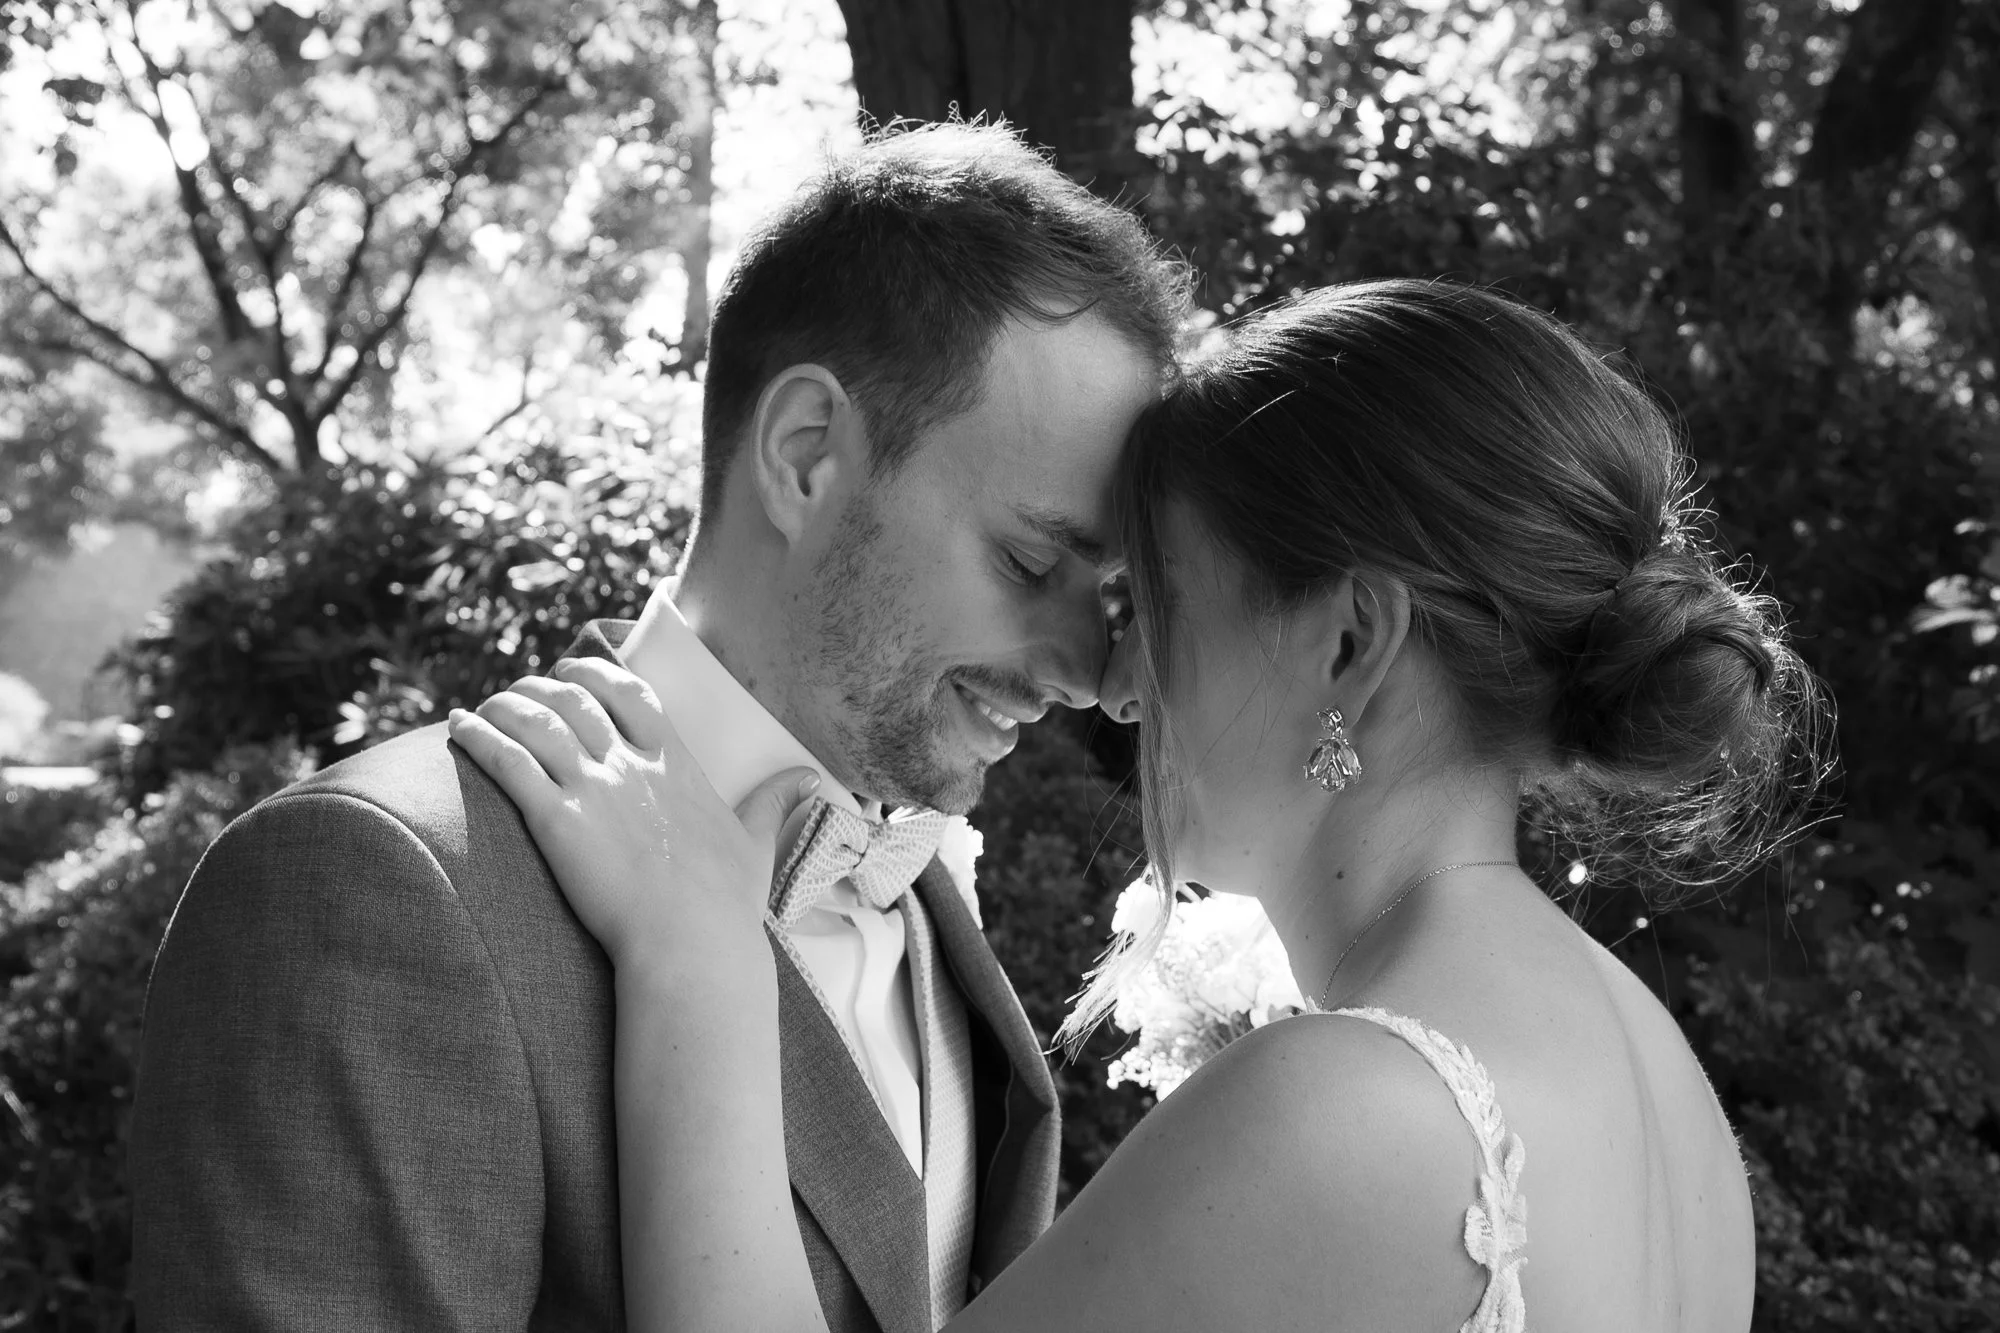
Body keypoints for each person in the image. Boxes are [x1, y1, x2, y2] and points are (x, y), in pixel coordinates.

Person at [450, 278, 1828, 1332]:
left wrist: (699, 964)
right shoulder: (1665, 1091)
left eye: (1157, 603)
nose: (1114, 686)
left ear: (1348, 642)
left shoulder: (1348, 1107)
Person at [128, 122, 1188, 1331]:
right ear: (805, 456)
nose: (1080, 669)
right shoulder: (376, 883)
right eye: (1030, 561)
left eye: (1106, 596)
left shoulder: (921, 889)